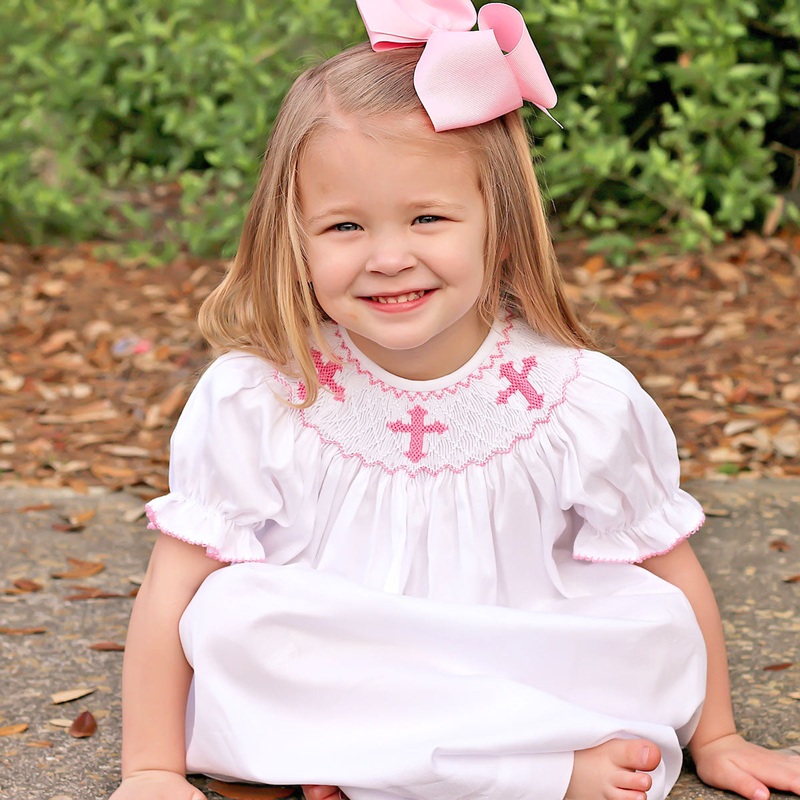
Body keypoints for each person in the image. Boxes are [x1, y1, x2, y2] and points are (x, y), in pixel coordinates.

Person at [110, 3, 800, 800]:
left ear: (500, 227)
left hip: (512, 656)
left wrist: (718, 737)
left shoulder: (576, 398)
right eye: (343, 226)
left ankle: (379, 765)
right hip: (348, 673)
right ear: (291, 239)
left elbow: (669, 573)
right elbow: (173, 588)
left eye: (428, 218)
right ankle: (488, 768)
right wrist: (152, 771)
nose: (389, 257)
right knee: (232, 615)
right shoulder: (263, 393)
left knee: (649, 621)